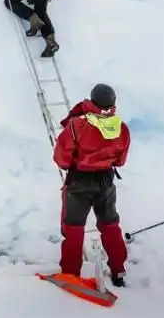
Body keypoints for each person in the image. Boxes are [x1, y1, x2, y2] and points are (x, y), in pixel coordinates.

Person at [52, 83, 130, 287]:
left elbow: (62, 158)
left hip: (80, 180)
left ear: (92, 101)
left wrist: (73, 166)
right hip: (105, 179)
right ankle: (118, 270)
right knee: (110, 224)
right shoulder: (120, 127)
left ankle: (70, 274)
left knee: (74, 227)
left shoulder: (78, 124)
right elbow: (120, 161)